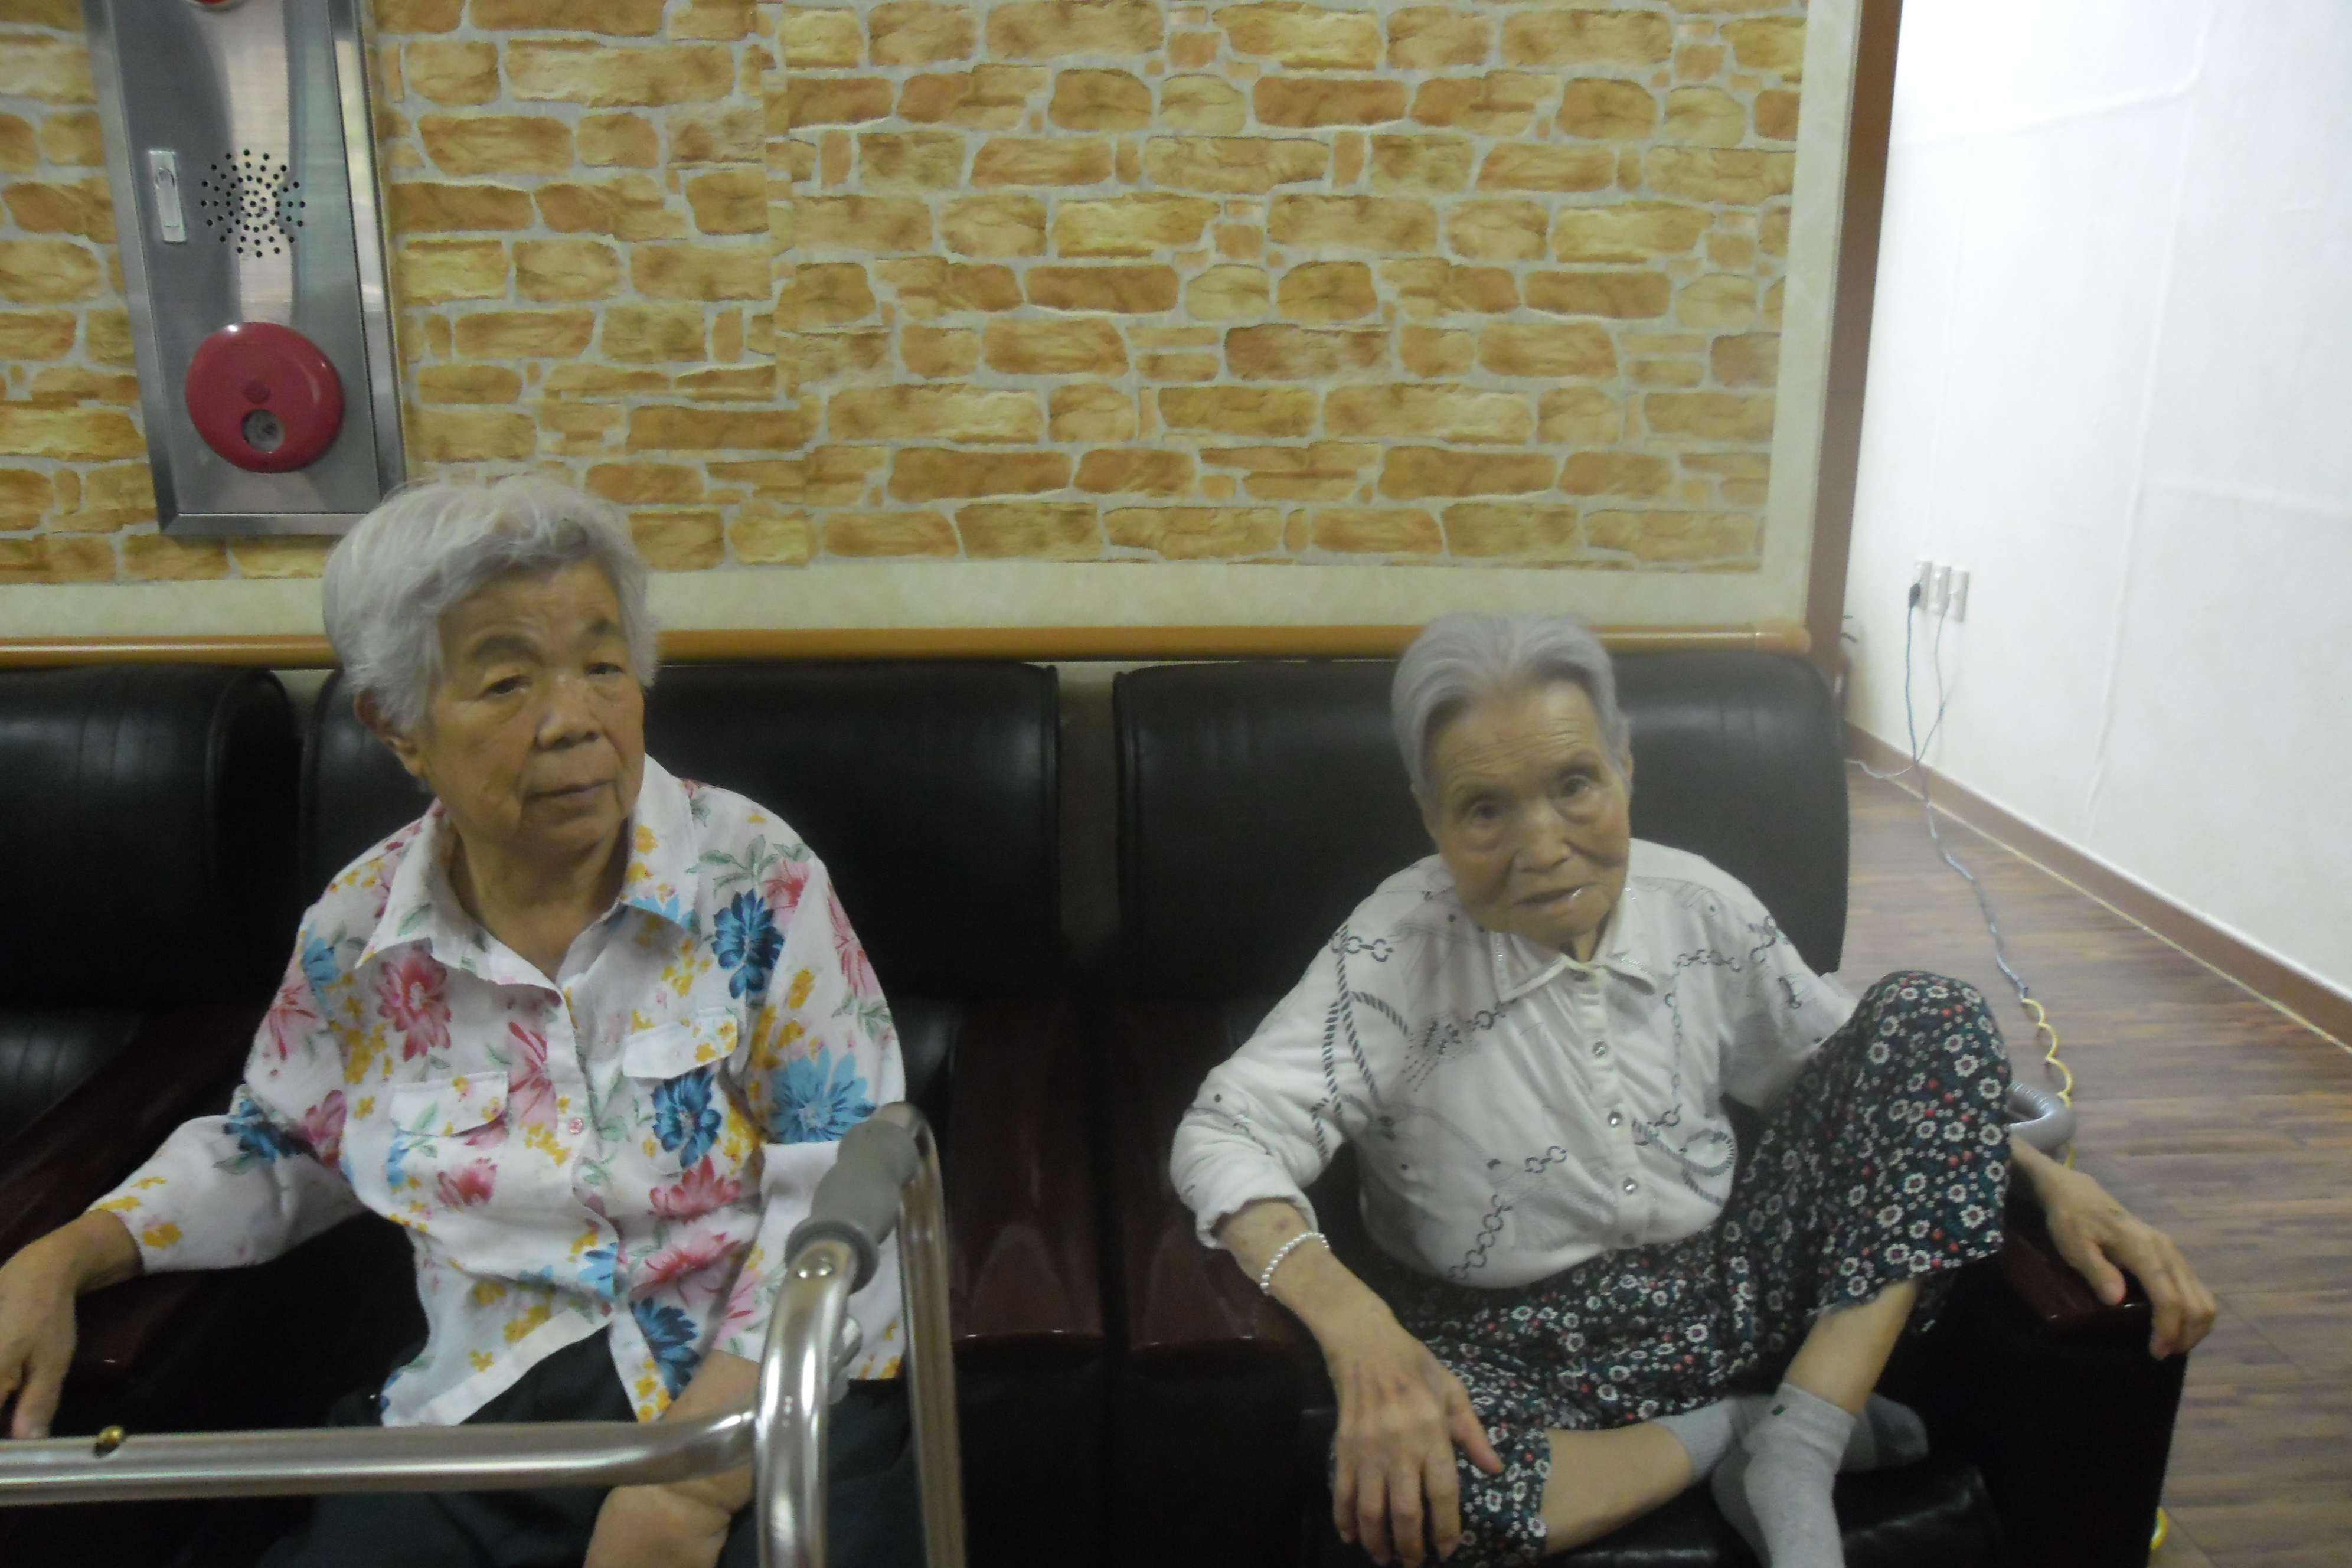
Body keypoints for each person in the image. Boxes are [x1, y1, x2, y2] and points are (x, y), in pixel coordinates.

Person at [0, 476, 918, 1568]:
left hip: (757, 1396)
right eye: (506, 681)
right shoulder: (358, 932)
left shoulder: (753, 878)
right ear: (397, 727)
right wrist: (68, 1256)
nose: (573, 720)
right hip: (484, 1410)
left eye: (602, 665)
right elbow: (281, 1149)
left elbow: (850, 1183)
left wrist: (684, 1490)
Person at [1170, 612, 2216, 1568]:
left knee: (1932, 1010)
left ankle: (1802, 1441)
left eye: (1574, 784)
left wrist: (2048, 1181)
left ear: (1625, 766)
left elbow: (1876, 1074)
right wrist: (1360, 1332)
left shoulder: (1701, 905)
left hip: (1732, 1288)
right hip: (1508, 1343)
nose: (1543, 847)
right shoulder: (1392, 954)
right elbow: (1223, 1134)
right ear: (1431, 815)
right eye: (1485, 808)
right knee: (1410, 1502)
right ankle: (1743, 1432)